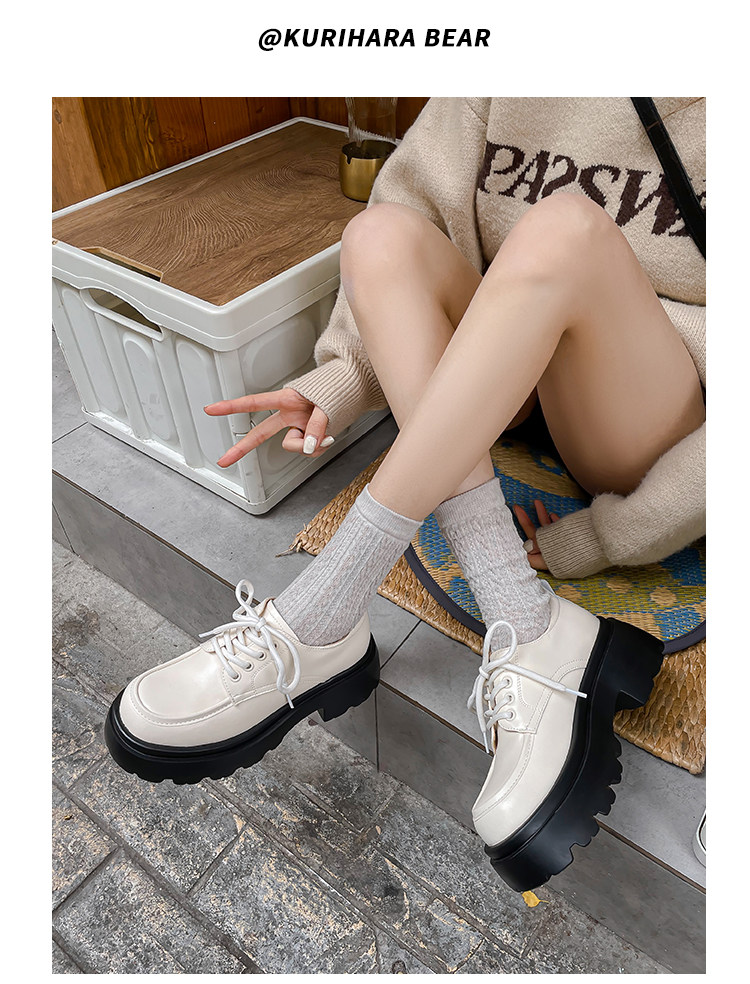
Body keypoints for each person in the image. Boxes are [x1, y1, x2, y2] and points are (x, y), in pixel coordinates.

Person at [104, 97, 705, 891]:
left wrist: (605, 536)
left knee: (566, 227)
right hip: (518, 374)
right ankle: (523, 616)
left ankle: (321, 613)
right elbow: (413, 209)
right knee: (378, 233)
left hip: (647, 418)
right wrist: (349, 377)